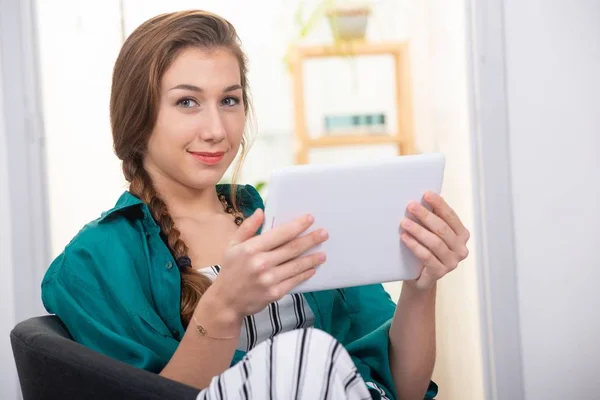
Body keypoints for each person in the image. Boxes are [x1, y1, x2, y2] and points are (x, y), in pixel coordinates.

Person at [41, 10, 470, 400]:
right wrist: (222, 308)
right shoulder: (93, 263)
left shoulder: (298, 220)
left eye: (229, 100)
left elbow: (401, 389)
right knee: (310, 352)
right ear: (138, 115)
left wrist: (421, 282)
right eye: (187, 102)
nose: (216, 130)